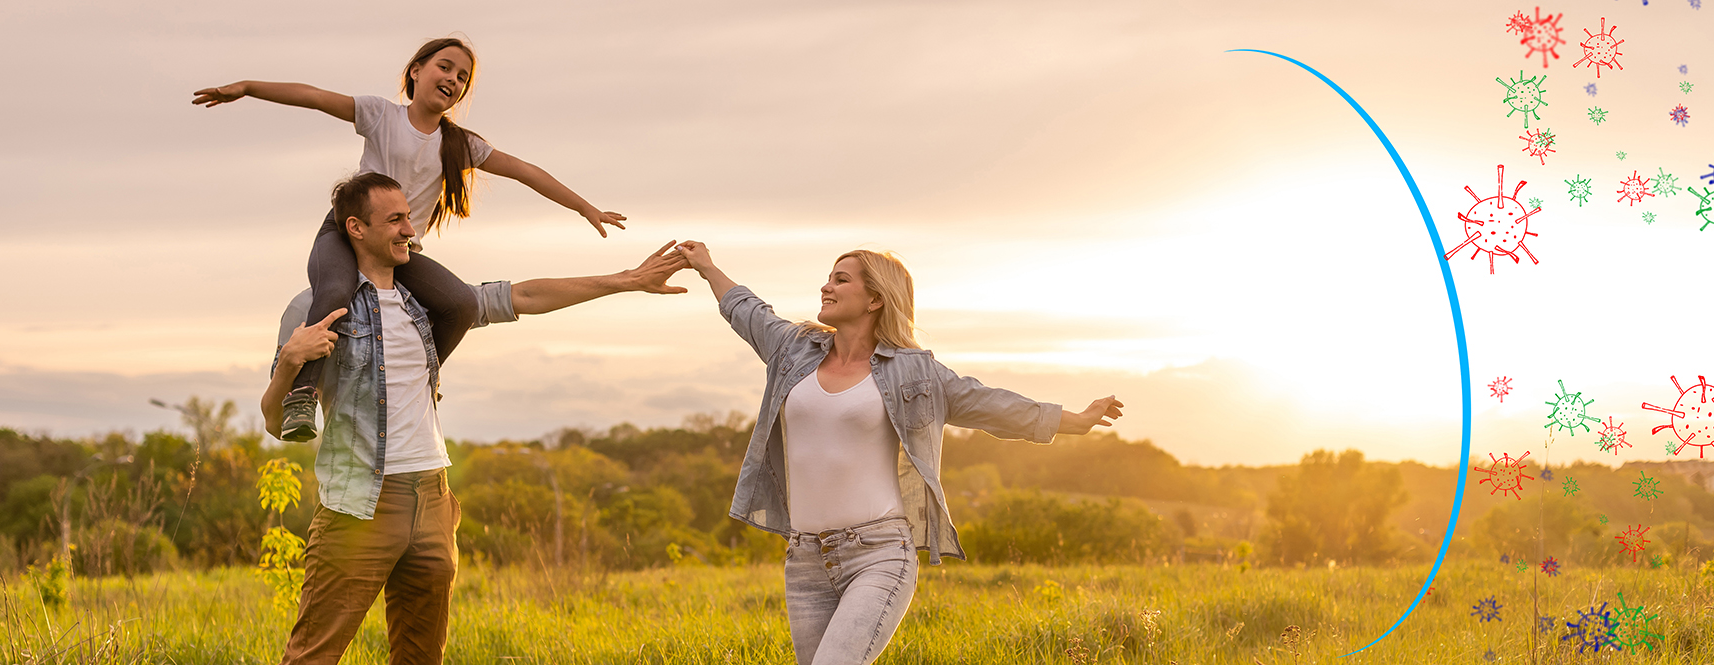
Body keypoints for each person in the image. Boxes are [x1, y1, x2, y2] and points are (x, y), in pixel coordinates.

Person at [262, 173, 683, 665]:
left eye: (408, 216)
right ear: (356, 227)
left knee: (422, 656)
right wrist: (291, 360)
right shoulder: (311, 307)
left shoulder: (427, 301)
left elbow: (522, 297)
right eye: (394, 219)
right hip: (359, 506)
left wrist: (626, 281)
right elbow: (275, 421)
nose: (409, 229)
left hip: (433, 497)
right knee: (313, 655)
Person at [672, 241, 1125, 665]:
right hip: (804, 559)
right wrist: (707, 266)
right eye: (829, 276)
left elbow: (993, 405)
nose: (826, 286)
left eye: (841, 279)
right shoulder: (794, 349)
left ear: (875, 300)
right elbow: (748, 311)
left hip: (878, 553)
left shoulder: (915, 371)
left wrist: (1077, 420)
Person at [199, 36, 627, 442]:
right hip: (345, 233)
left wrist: (584, 207)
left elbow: (524, 170)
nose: (453, 79)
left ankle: (424, 379)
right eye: (445, 67)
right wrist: (248, 88)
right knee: (333, 292)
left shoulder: (458, 144)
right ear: (416, 72)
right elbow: (312, 96)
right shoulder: (380, 115)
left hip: (401, 249)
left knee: (459, 304)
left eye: (462, 77)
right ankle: (301, 397)